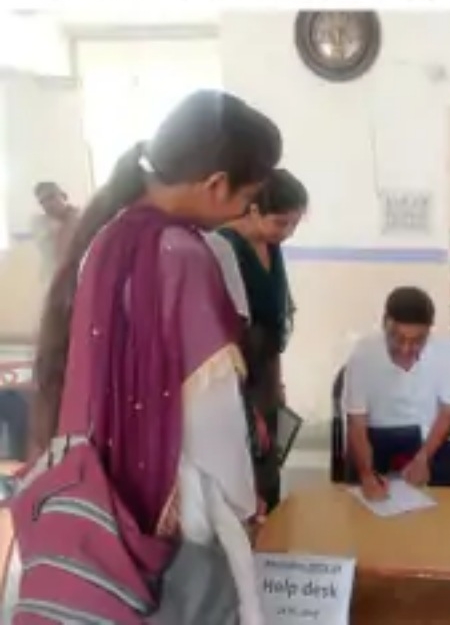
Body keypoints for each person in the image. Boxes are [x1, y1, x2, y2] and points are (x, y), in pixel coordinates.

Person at [20, 90, 282, 624]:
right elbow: (211, 416)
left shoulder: (104, 238)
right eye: (248, 196)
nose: (242, 212)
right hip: (177, 510)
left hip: (95, 495)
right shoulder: (185, 252)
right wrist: (243, 499)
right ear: (216, 184)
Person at [212, 168, 308, 513]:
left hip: (264, 371)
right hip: (233, 375)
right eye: (282, 223)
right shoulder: (223, 246)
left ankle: (270, 536)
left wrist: (277, 381)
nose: (288, 233)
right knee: (244, 469)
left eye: (294, 224)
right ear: (253, 210)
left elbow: (274, 322)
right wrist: (244, 400)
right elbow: (222, 333)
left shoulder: (272, 244)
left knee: (269, 463)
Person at [343, 287, 450, 500]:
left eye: (418, 340)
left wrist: (424, 457)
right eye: (397, 338)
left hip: (432, 438)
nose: (406, 348)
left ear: (429, 331)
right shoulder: (363, 354)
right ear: (385, 324)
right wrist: (366, 474)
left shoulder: (448, 353)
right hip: (377, 438)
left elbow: (448, 413)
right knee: (365, 500)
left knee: (445, 502)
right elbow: (356, 423)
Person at [31, 181, 79, 287]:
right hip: (52, 282)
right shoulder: (39, 223)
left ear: (64, 196)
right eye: (42, 201)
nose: (48, 204)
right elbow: (62, 236)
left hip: (79, 278)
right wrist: (72, 217)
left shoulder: (81, 217)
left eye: (51, 197)